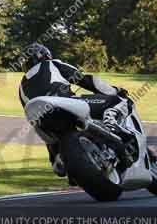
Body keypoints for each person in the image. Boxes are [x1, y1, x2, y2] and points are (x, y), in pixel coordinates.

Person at [17, 43, 132, 177]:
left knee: (51, 137)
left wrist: (53, 154)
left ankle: (58, 159)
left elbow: (30, 111)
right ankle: (111, 124)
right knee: (118, 101)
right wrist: (115, 90)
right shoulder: (53, 64)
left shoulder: (21, 87)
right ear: (45, 55)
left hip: (44, 123)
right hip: (67, 104)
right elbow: (84, 80)